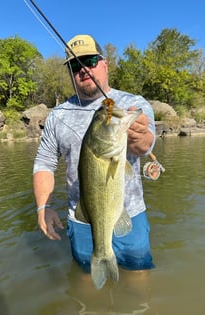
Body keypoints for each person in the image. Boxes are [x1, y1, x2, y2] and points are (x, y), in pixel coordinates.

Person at [33, 34, 156, 274]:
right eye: (75, 65)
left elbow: (145, 145)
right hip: (82, 220)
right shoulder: (57, 116)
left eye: (89, 60)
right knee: (87, 280)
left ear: (104, 63)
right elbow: (44, 163)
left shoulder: (132, 102)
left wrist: (140, 138)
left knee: (138, 275)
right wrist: (42, 207)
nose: (83, 70)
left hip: (131, 214)